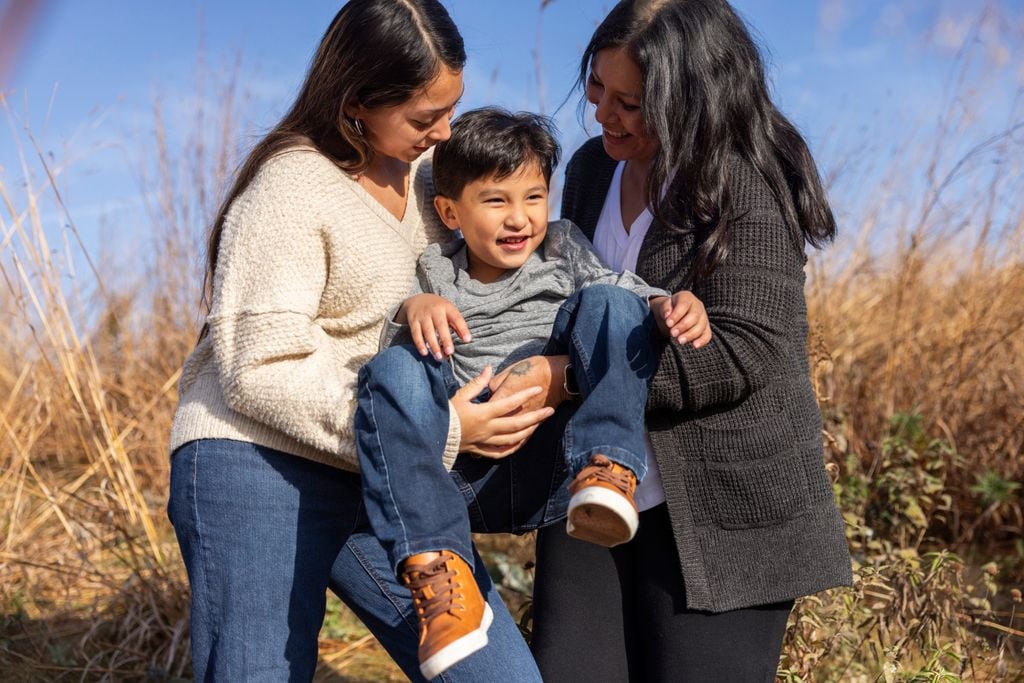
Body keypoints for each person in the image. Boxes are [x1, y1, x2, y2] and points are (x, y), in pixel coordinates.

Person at [166, 2, 554, 680]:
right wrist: (439, 427)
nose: (444, 132)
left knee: (496, 673)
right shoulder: (291, 186)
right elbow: (256, 369)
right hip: (255, 462)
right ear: (355, 104)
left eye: (450, 110)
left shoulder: (439, 183)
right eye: (423, 118)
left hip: (383, 474)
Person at [527, 1, 854, 680]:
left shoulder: (749, 178)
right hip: (595, 490)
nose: (602, 115)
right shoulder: (590, 169)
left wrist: (571, 378)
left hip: (724, 510)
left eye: (631, 103)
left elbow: (745, 349)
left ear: (692, 98)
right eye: (597, 89)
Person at [353, 107, 711, 679]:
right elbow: (401, 381)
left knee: (613, 303)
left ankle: (609, 466)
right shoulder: (432, 270)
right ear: (450, 212)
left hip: (555, 466)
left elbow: (619, 294)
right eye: (496, 201)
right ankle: (437, 568)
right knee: (391, 370)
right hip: (468, 475)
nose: (519, 219)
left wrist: (666, 304)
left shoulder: (564, 246)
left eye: (534, 197)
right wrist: (410, 308)